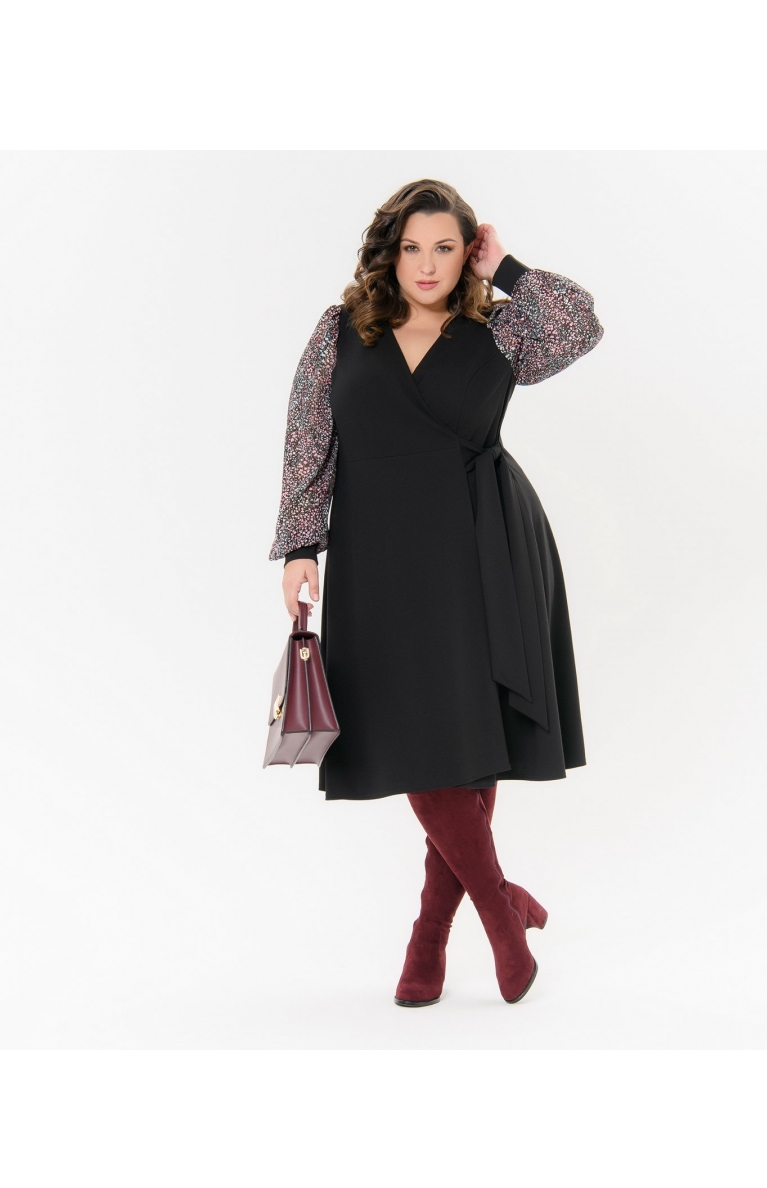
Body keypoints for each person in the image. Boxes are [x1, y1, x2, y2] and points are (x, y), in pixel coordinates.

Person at [269, 179, 603, 1005]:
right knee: (415, 728)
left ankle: (429, 940)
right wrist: (301, 546)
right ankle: (499, 912)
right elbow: (309, 438)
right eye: (412, 247)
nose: (427, 264)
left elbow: (583, 322)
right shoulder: (342, 331)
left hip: (485, 544)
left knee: (467, 729)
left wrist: (507, 267)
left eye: (446, 248)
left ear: (467, 252)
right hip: (379, 555)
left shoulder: (503, 332)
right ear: (390, 253)